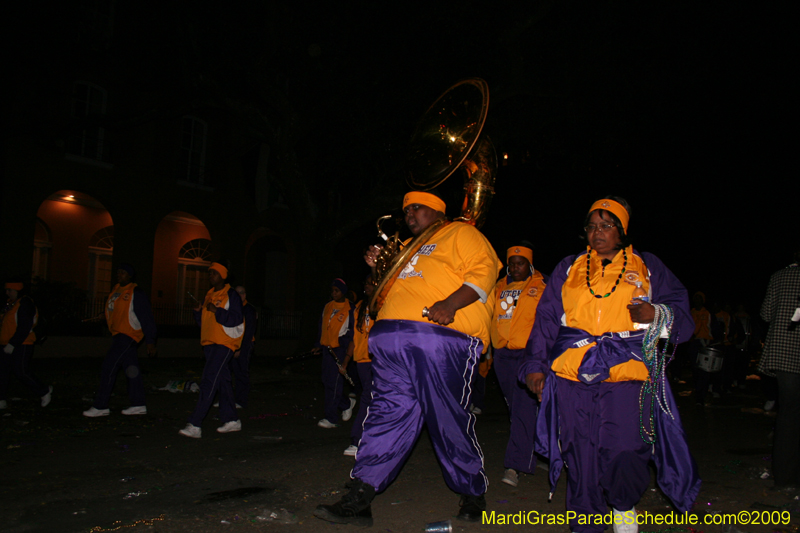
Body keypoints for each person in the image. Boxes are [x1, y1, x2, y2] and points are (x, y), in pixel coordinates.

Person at [315, 191, 502, 526]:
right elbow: (379, 294)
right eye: (406, 210)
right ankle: (362, 495)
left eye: (417, 208)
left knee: (447, 417)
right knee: (386, 415)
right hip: (392, 342)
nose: (410, 215)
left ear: (438, 210)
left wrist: (451, 304)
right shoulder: (406, 250)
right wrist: (378, 268)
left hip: (442, 338)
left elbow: (484, 272)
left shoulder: (462, 233)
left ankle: (472, 491)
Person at [522, 197, 700, 533]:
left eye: (606, 226)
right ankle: (585, 522)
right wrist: (535, 365)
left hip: (628, 373)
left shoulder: (647, 266)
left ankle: (622, 504)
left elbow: (684, 319)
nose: (597, 232)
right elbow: (546, 320)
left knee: (626, 448)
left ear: (621, 232)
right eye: (591, 226)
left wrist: (657, 315)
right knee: (579, 452)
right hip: (573, 374)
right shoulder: (569, 267)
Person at [491, 245, 546, 487]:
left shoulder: (542, 286)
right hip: (502, 354)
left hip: (529, 355)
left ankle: (514, 465)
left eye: (520, 263)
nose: (515, 267)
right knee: (516, 409)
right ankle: (534, 453)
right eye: (511, 263)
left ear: (530, 265)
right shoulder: (498, 287)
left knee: (523, 408)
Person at [179, 263, 244, 438]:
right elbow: (205, 324)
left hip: (224, 343)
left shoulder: (231, 295)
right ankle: (231, 420)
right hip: (209, 344)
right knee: (222, 381)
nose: (211, 276)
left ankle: (195, 423)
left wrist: (218, 311)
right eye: (209, 274)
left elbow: (237, 319)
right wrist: (198, 314)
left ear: (223, 276)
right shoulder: (209, 295)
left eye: (214, 273)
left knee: (209, 380)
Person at [83, 264, 156, 417]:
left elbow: (146, 317)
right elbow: (115, 310)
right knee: (132, 371)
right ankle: (139, 404)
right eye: (118, 272)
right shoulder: (116, 290)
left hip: (128, 334)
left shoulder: (136, 292)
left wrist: (150, 341)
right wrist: (104, 315)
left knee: (108, 367)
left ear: (130, 276)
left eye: (123, 272)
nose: (119, 274)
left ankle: (101, 405)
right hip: (118, 334)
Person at [758, 250, 800, 488]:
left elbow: (765, 313)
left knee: (788, 414)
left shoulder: (779, 277)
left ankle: (784, 476)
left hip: (786, 354)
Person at [1, 279, 51, 410]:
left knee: (21, 371)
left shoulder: (25, 303)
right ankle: (1, 399)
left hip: (22, 343)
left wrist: (13, 343)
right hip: (7, 342)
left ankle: (43, 391)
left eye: (9, 290)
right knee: (3, 371)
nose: (7, 293)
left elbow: (25, 325)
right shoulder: (11, 303)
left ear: (17, 290)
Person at [312, 278, 356, 428]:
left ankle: (331, 418)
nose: (334, 293)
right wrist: (318, 344)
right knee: (327, 381)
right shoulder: (328, 306)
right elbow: (322, 326)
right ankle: (346, 404)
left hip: (339, 350)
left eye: (336, 291)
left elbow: (352, 331)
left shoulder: (350, 308)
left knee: (335, 383)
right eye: (332, 291)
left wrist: (344, 346)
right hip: (326, 349)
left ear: (343, 291)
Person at [342, 273, 376, 456]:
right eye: (367, 283)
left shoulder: (384, 304)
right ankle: (357, 441)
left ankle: (364, 440)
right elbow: (354, 338)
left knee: (374, 399)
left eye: (372, 283)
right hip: (364, 360)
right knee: (369, 397)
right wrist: (346, 361)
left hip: (381, 359)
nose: (368, 286)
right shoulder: (359, 308)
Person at [231, 285, 257, 409]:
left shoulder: (249, 309)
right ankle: (228, 399)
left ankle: (241, 400)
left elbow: (249, 331)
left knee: (242, 372)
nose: (240, 295)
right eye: (238, 293)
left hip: (245, 344)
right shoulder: (232, 308)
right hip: (231, 344)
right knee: (229, 372)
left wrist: (240, 348)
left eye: (242, 292)